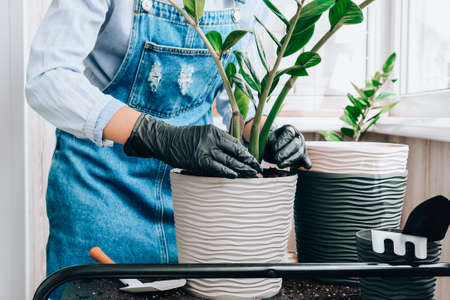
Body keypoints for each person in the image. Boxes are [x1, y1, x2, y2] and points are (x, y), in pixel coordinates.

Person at [26, 0, 311, 298]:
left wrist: (265, 130)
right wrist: (150, 133)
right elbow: (48, 77)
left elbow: (238, 89)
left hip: (195, 200)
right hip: (102, 188)